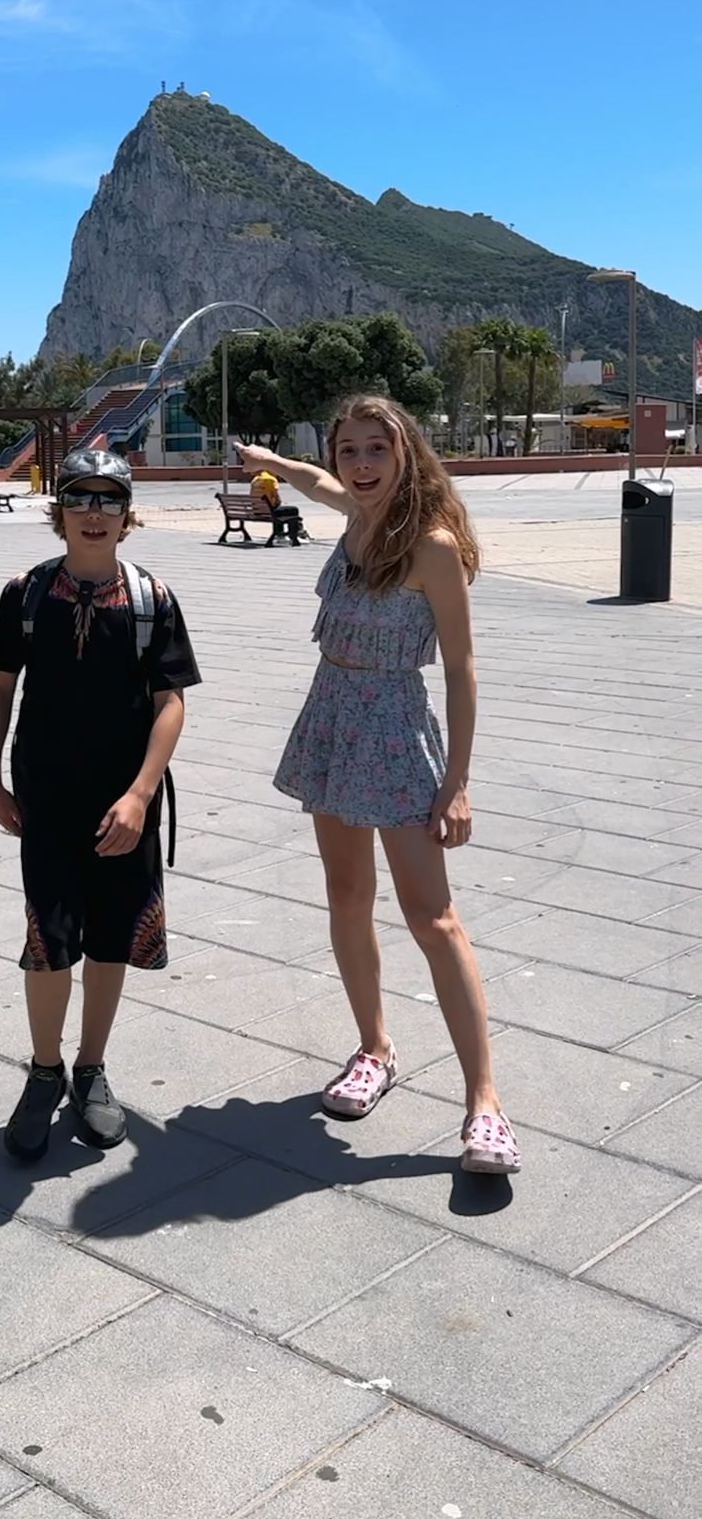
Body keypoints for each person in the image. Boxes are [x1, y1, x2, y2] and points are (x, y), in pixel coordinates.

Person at [236, 398, 520, 1174]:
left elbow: (461, 668)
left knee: (433, 918)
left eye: (376, 450)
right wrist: (268, 459)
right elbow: (311, 481)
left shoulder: (431, 545)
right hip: (333, 715)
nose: (360, 465)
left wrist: (456, 783)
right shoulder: (355, 514)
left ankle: (485, 1103)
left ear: (406, 454)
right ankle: (374, 1049)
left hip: (395, 728)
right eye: (349, 450)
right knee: (346, 896)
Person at [0, 447, 201, 1162]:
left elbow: (170, 703)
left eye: (110, 499)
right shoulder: (26, 593)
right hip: (46, 799)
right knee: (48, 940)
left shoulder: (152, 598)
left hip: (124, 804)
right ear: (60, 510)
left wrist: (140, 794)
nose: (95, 513)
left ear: (128, 516)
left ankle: (90, 1068)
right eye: (80, 497)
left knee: (111, 939)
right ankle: (44, 1071)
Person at [250, 465, 307, 546]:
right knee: (293, 510)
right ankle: (294, 536)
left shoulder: (255, 480)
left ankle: (280, 535)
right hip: (268, 511)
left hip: (257, 510)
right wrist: (277, 502)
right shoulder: (270, 479)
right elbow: (277, 498)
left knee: (280, 511)